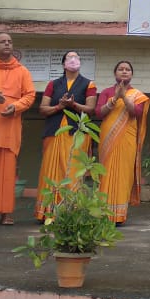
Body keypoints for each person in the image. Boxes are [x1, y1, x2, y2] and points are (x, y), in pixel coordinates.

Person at [34, 51, 98, 221]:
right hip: (54, 132)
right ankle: (47, 212)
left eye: (76, 57)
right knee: (50, 171)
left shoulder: (88, 84)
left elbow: (91, 110)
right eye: (69, 57)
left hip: (77, 134)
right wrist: (59, 106)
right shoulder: (53, 84)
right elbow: (42, 109)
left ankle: (71, 213)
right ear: (63, 64)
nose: (73, 60)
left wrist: (73, 104)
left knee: (72, 171)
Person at [0, 32, 36, 226]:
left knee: (7, 173)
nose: (7, 44)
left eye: (10, 42)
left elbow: (30, 96)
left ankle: (6, 213)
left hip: (10, 128)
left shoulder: (22, 71)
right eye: (2, 42)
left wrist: (16, 107)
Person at [95, 61, 150, 225]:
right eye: (121, 69)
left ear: (131, 74)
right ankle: (102, 213)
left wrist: (124, 97)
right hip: (108, 138)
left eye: (127, 70)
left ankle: (118, 215)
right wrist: (114, 99)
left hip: (127, 139)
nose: (124, 72)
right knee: (105, 174)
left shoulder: (137, 94)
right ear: (115, 73)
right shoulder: (106, 92)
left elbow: (137, 113)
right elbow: (99, 112)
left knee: (124, 175)